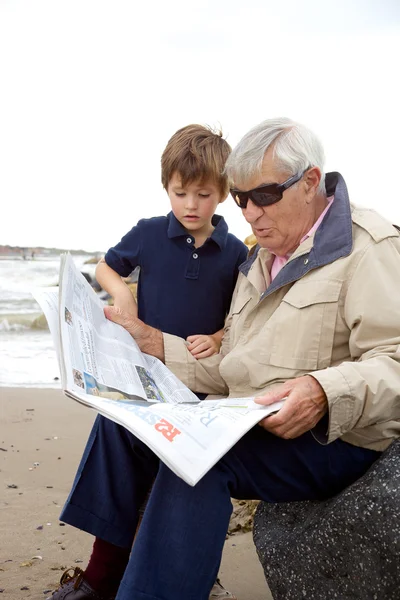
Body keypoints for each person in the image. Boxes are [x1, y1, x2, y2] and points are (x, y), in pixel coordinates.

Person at [50, 118, 400, 600]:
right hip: (251, 415)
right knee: (123, 422)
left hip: (334, 436)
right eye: (240, 199)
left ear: (312, 181)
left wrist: (323, 392)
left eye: (265, 195)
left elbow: (394, 358)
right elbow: (234, 363)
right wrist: (152, 342)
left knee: (198, 460)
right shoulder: (261, 259)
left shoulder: (370, 247)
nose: (251, 213)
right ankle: (103, 574)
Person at [47, 125, 247, 600]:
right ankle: (103, 570)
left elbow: (245, 312)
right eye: (181, 193)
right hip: (145, 378)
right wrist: (121, 294)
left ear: (222, 192)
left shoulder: (236, 252)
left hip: (197, 387)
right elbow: (106, 266)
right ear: (167, 187)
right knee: (112, 429)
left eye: (203, 194)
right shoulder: (150, 233)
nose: (191, 205)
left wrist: (218, 337)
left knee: (178, 464)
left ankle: (177, 568)